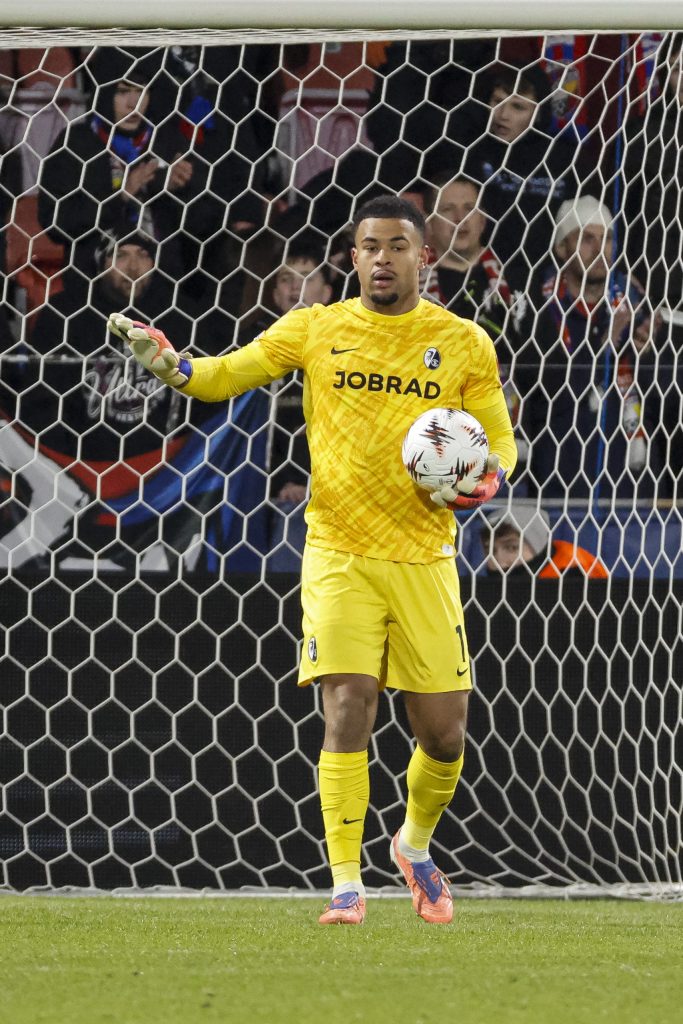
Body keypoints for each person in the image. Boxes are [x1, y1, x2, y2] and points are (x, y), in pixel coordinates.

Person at [107, 196, 517, 925]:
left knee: (445, 735)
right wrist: (170, 365)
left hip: (425, 557)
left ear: (424, 257)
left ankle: (413, 846)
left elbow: (498, 443)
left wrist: (484, 480)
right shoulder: (315, 327)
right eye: (370, 247)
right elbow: (221, 375)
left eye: (397, 246)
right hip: (337, 552)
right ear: (352, 259)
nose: (383, 258)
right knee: (348, 705)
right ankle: (346, 884)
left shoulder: (463, 342)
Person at [516, 195, 648, 502]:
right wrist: (606, 345)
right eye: (587, 239)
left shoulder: (634, 307)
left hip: (627, 484)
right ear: (562, 248)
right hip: (558, 480)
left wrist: (650, 350)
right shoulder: (536, 311)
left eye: (607, 239)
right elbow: (549, 394)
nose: (600, 249)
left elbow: (657, 395)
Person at [480, 506, 608, 578]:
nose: (498, 560)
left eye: (511, 548)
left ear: (538, 546)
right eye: (489, 550)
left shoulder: (575, 573)